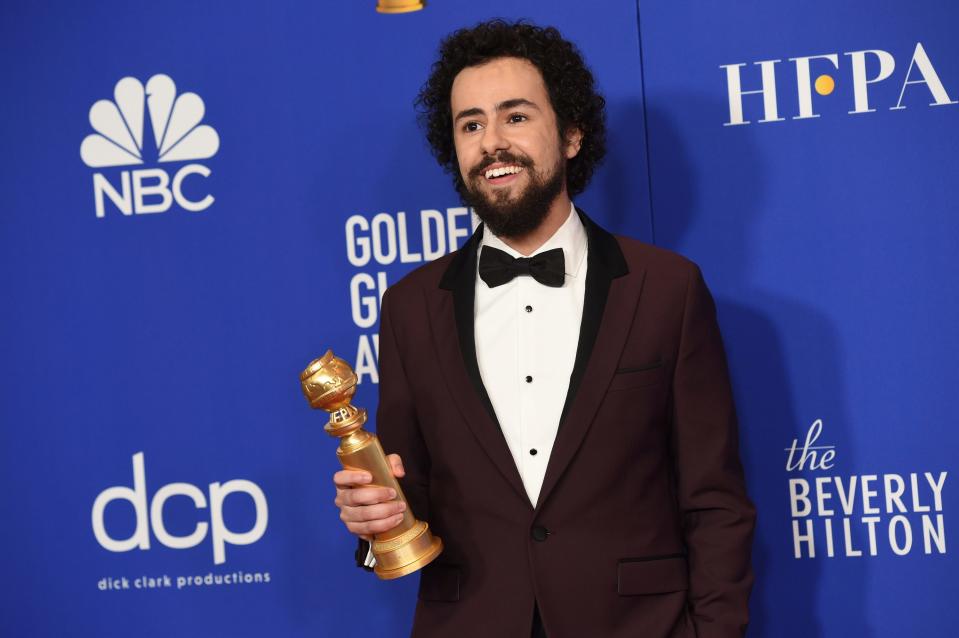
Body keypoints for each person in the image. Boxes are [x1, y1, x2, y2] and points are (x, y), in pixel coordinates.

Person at [333, 19, 755, 638]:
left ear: (573, 134)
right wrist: (377, 524)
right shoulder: (408, 308)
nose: (492, 142)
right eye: (470, 124)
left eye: (517, 117)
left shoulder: (667, 289)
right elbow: (409, 490)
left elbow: (715, 503)